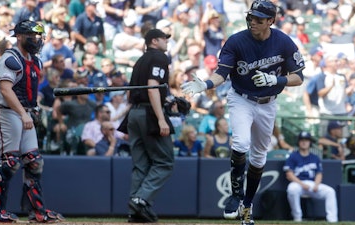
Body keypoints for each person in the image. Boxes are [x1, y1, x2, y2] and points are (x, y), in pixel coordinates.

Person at [181, 1, 305, 224]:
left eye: (259, 19)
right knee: (240, 144)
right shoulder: (237, 40)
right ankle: (235, 196)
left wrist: (276, 79)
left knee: (259, 157)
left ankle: (247, 204)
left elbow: (299, 76)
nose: (253, 22)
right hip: (242, 99)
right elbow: (222, 73)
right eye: (251, 17)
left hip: (268, 103)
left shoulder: (283, 41)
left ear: (270, 21)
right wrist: (207, 84)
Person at [0, 20, 64, 223]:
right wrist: (23, 113)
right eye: (31, 35)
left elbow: (29, 90)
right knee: (10, 162)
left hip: (26, 113)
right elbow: (5, 89)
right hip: (8, 112)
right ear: (19, 36)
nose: (36, 40)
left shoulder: (36, 60)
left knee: (34, 161)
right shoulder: (10, 58)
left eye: (38, 36)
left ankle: (37, 212)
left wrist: (34, 108)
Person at [126, 28, 173, 223]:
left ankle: (135, 209)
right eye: (164, 39)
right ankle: (141, 200)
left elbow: (134, 92)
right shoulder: (159, 57)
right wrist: (161, 118)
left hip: (134, 113)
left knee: (141, 164)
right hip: (149, 114)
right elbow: (153, 87)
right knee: (164, 161)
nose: (167, 42)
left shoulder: (140, 60)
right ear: (154, 41)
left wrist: (169, 102)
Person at [284, 131, 338, 223]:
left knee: (330, 192)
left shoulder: (315, 157)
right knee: (291, 189)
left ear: (310, 142)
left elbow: (319, 173)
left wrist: (316, 185)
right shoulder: (292, 156)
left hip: (312, 184)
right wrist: (301, 184)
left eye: (306, 140)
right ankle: (297, 218)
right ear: (298, 142)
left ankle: (332, 220)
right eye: (302, 140)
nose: (304, 142)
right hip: (298, 183)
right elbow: (289, 175)